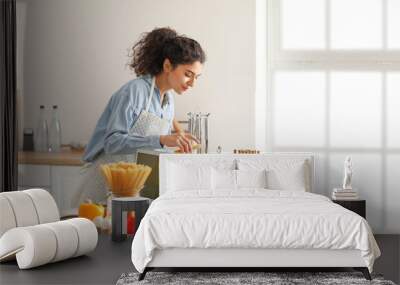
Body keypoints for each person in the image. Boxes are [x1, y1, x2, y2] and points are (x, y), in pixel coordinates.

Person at [75, 27, 206, 204]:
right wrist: (162, 139)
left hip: (131, 187)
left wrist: (176, 145)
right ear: (167, 66)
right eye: (188, 74)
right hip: (103, 184)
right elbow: (113, 142)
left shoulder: (168, 101)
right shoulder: (134, 92)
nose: (192, 83)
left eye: (197, 77)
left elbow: (153, 148)